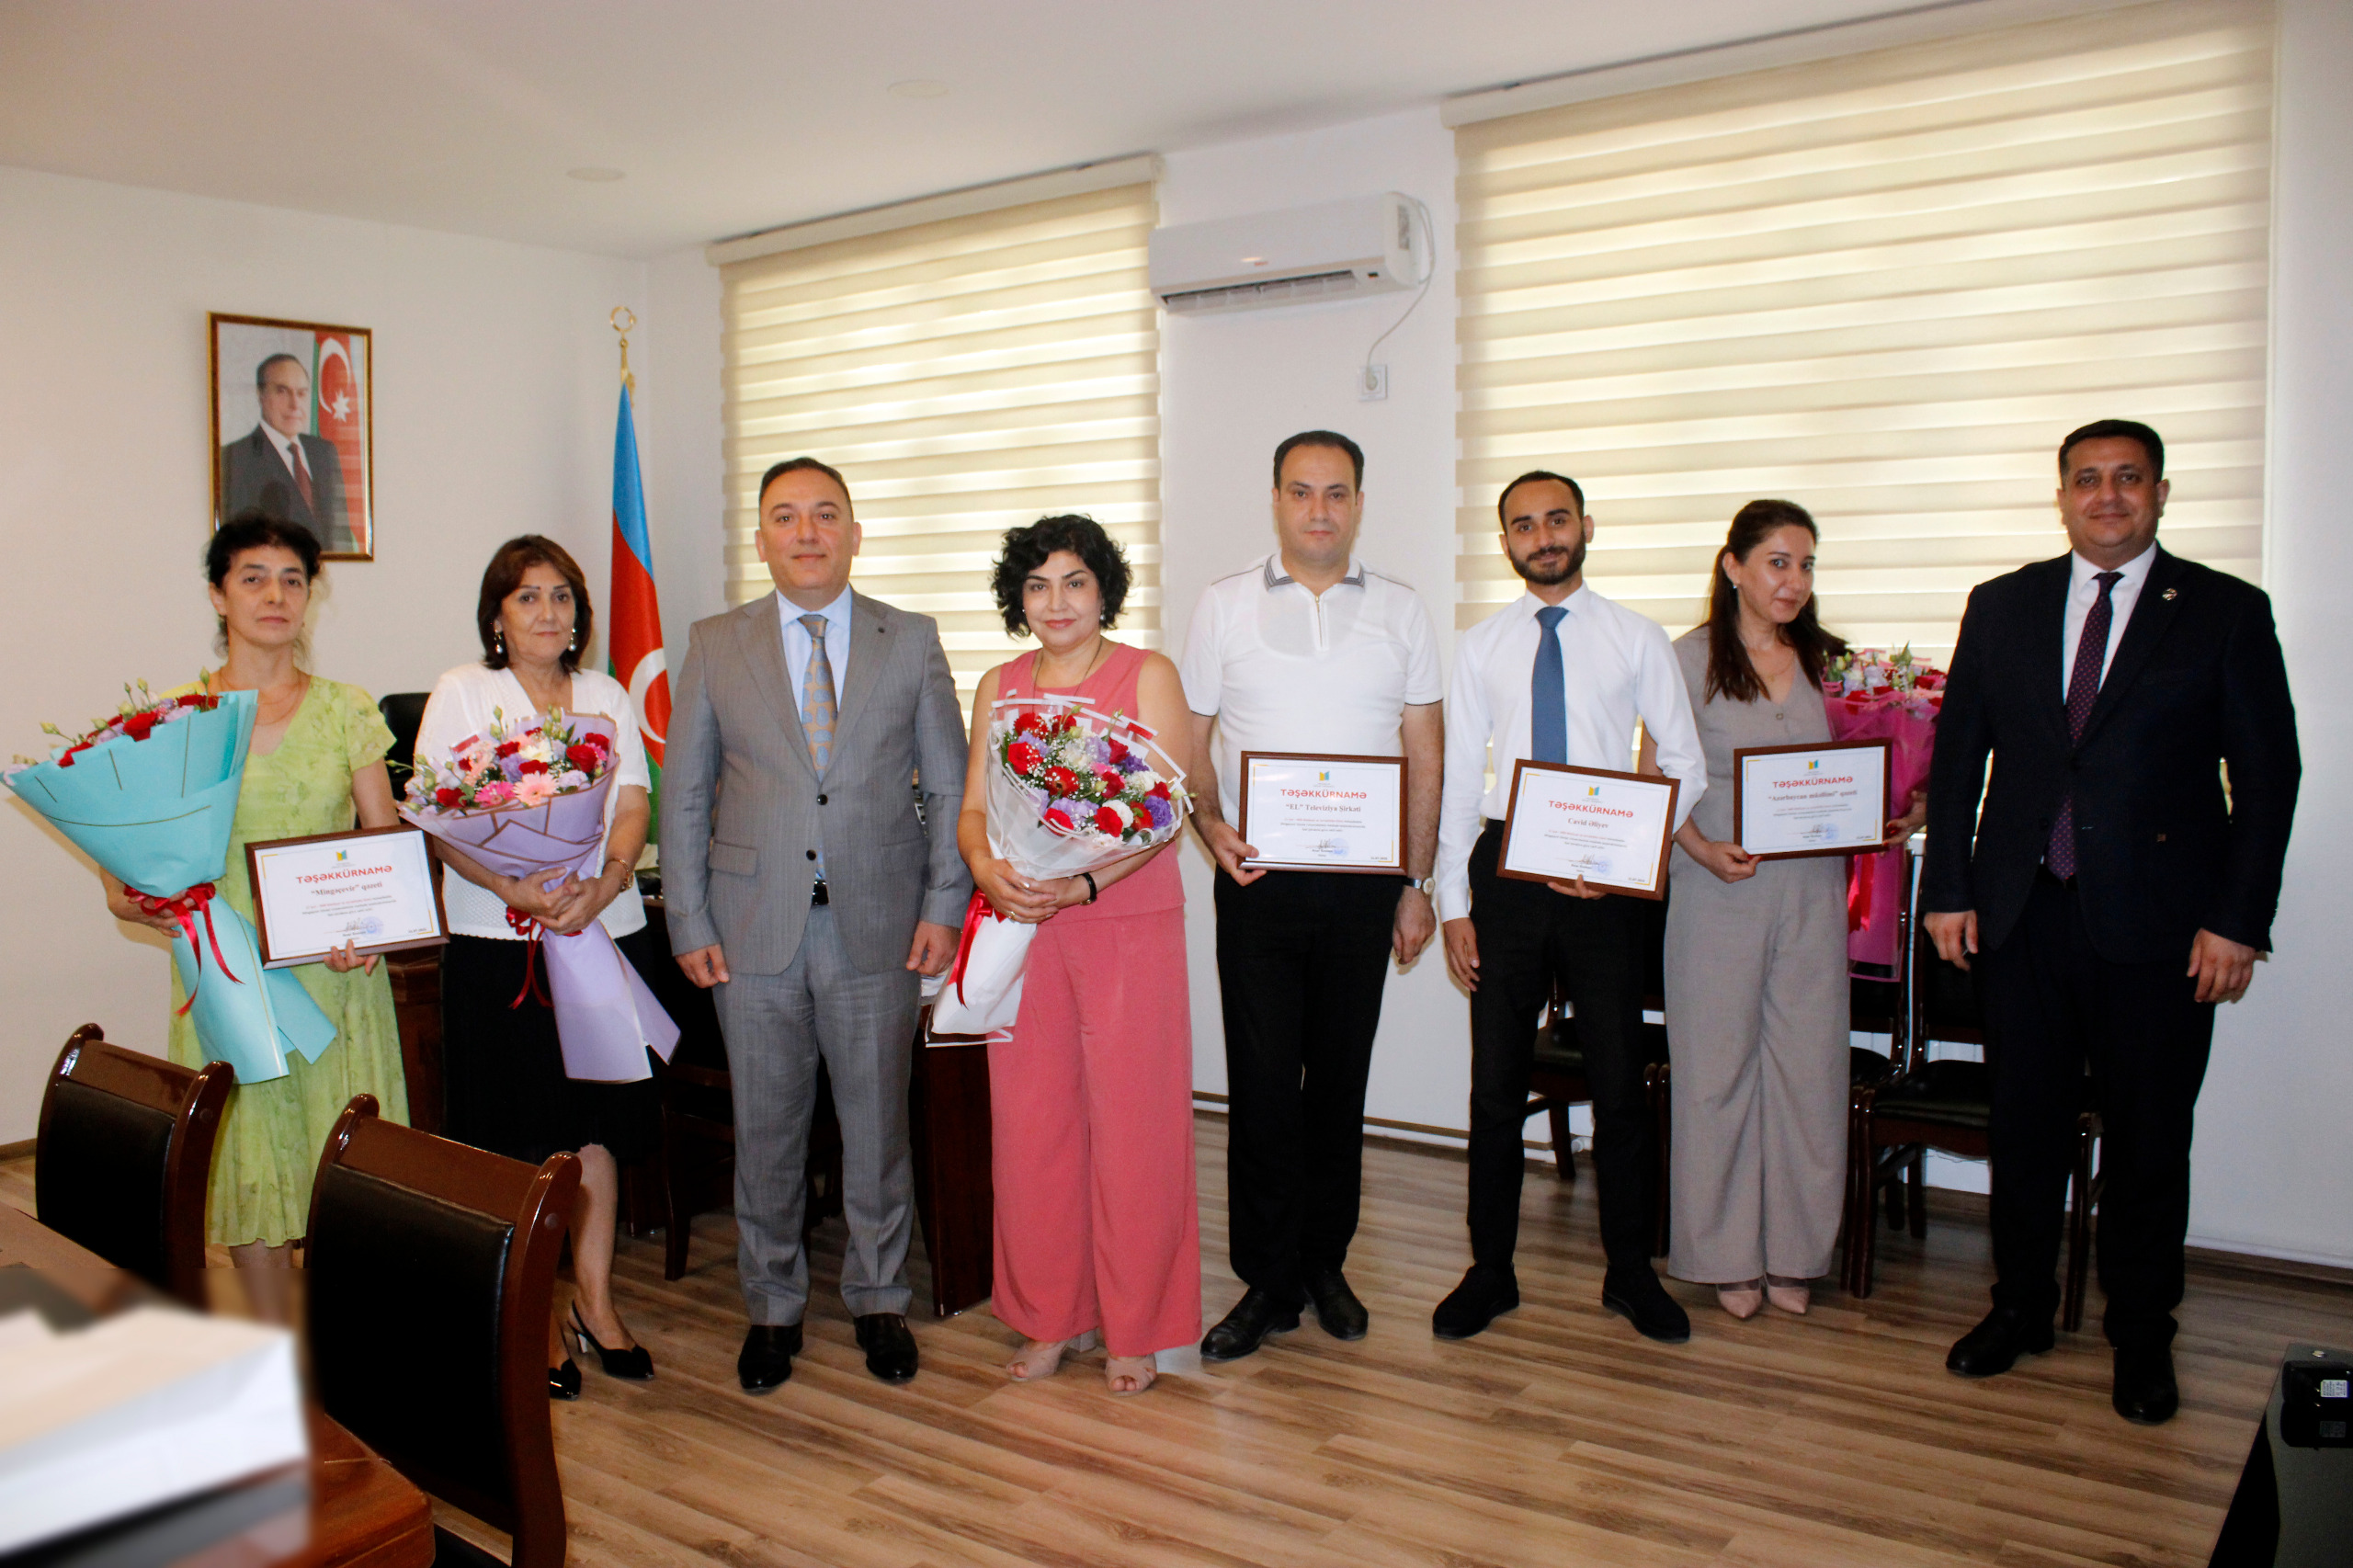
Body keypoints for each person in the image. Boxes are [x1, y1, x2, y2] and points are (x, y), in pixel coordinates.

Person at [1924, 419, 2298, 1425]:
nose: (2107, 495)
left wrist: (2237, 920)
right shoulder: (2002, 605)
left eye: (2128, 477)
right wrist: (1947, 889)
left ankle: (2141, 1332)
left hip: (2164, 929)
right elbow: (1958, 762)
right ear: (2061, 497)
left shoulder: (2224, 611)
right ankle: (2020, 1307)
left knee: (2148, 1138)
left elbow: (2267, 778)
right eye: (2087, 478)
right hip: (2021, 916)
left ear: (2160, 493)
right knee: (2024, 1128)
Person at [661, 457, 970, 1392]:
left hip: (880, 924)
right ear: (760, 539)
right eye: (786, 516)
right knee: (766, 1131)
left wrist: (943, 905)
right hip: (750, 929)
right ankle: (771, 1307)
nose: (807, 532)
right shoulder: (716, 642)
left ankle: (879, 1297)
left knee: (877, 1130)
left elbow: (949, 786)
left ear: (854, 533)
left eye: (825, 514)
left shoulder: (909, 640)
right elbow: (685, 794)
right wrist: (687, 918)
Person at [1178, 430, 1444, 1362]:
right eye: (1301, 491)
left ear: (1359, 503)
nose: (1319, 510)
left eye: (1336, 492)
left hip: (1366, 885)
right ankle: (1266, 1279)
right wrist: (1210, 827)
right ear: (1276, 500)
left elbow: (1425, 751)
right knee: (1260, 1087)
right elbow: (1190, 739)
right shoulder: (1222, 604)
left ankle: (1325, 1262)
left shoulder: (1403, 610)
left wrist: (1417, 882)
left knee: (1338, 1083)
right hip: (1258, 881)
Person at [1434, 470, 1704, 1344]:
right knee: (1494, 1087)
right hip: (1506, 876)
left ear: (1586, 526)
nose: (1543, 537)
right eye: (1524, 525)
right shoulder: (1480, 646)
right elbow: (1458, 784)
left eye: (1557, 520)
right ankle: (1490, 1271)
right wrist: (1453, 902)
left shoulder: (1637, 638)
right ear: (1505, 542)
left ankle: (1631, 1274)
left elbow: (1684, 761)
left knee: (1620, 1087)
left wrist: (1629, 859)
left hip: (1604, 884)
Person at [103, 516, 407, 1290]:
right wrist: (135, 902)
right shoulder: (173, 718)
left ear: (310, 596)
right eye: (253, 578)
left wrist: (376, 928)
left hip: (336, 976)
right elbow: (120, 855)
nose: (276, 595)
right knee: (251, 1167)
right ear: (218, 595)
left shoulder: (346, 709)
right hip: (225, 973)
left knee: (346, 1174)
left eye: (293, 580)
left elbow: (385, 842)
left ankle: (337, 1349)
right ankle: (278, 1353)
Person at [1646, 501, 1925, 1320]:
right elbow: (1656, 782)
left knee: (1809, 1074)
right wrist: (1700, 848)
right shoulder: (1684, 660)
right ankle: (1725, 1256)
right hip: (1717, 891)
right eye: (1778, 562)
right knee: (1716, 1075)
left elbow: (1885, 764)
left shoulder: (1835, 666)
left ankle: (1797, 1254)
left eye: (1806, 565)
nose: (1794, 581)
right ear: (1732, 566)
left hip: (1814, 893)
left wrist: (1907, 807)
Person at [414, 535, 660, 1402]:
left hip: (601, 929)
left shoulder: (606, 694)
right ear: (497, 615)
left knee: (597, 1128)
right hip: (498, 940)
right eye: (528, 597)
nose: (547, 612)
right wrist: (510, 883)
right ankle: (533, 1314)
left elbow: (631, 801)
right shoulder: (463, 692)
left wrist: (609, 880)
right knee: (518, 1133)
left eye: (561, 596)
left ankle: (595, 1301)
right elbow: (438, 817)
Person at [959, 515, 1200, 1396]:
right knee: (1032, 1128)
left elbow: (1165, 810)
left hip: (1126, 920)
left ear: (1104, 591)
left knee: (1137, 1127)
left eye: (1074, 582)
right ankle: (1050, 1315)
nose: (1056, 602)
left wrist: (1086, 883)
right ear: (1016, 599)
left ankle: (1138, 1328)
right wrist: (986, 868)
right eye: (1037, 585)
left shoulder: (1148, 674)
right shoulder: (999, 685)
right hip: (1023, 921)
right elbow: (975, 807)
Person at [219, 354, 351, 553]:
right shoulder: (235, 458)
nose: (295, 404)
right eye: (282, 391)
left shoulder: (324, 452)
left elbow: (342, 538)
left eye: (302, 393)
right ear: (261, 395)